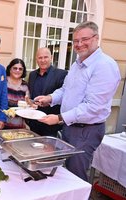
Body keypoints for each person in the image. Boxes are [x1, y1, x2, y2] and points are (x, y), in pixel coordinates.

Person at [35, 21, 121, 181]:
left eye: (84, 39)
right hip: (70, 127)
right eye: (75, 41)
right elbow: (65, 90)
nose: (79, 44)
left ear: (96, 38)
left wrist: (59, 118)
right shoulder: (77, 64)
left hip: (86, 131)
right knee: (65, 174)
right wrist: (49, 98)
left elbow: (92, 107)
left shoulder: (104, 66)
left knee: (76, 177)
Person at [26, 47, 67, 137]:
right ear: (36, 59)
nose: (43, 60)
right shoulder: (32, 75)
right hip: (34, 122)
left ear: (51, 58)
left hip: (51, 124)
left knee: (49, 150)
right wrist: (30, 102)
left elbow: (64, 97)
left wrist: (49, 102)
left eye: (46, 57)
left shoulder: (61, 74)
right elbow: (31, 96)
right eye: (40, 58)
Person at [4, 58, 29, 129]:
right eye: (15, 68)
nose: (17, 71)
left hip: (19, 125)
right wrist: (17, 104)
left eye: (20, 69)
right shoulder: (3, 82)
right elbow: (0, 101)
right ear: (10, 69)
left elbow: (27, 104)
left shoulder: (25, 85)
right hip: (3, 123)